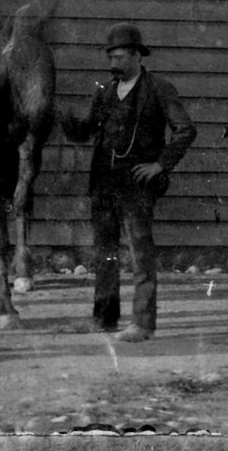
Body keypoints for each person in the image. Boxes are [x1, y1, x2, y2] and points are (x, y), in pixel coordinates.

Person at [60, 22, 197, 342]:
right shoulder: (105, 92)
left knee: (140, 254)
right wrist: (66, 122)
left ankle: (143, 323)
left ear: (137, 56)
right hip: (104, 183)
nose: (113, 64)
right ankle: (105, 319)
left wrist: (160, 165)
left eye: (120, 57)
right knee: (104, 253)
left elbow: (185, 130)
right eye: (110, 57)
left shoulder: (159, 88)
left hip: (136, 186)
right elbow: (87, 132)